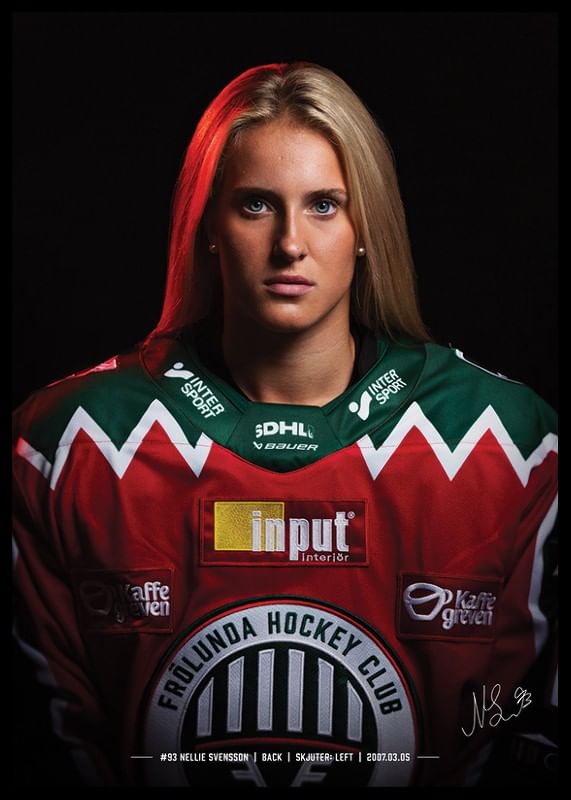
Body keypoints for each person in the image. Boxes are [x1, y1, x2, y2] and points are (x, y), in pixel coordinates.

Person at [12, 61, 557, 788]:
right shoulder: (67, 444)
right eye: (256, 205)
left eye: (324, 204)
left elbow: (521, 723)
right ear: (209, 225)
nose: (290, 243)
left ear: (366, 227)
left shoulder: (509, 443)